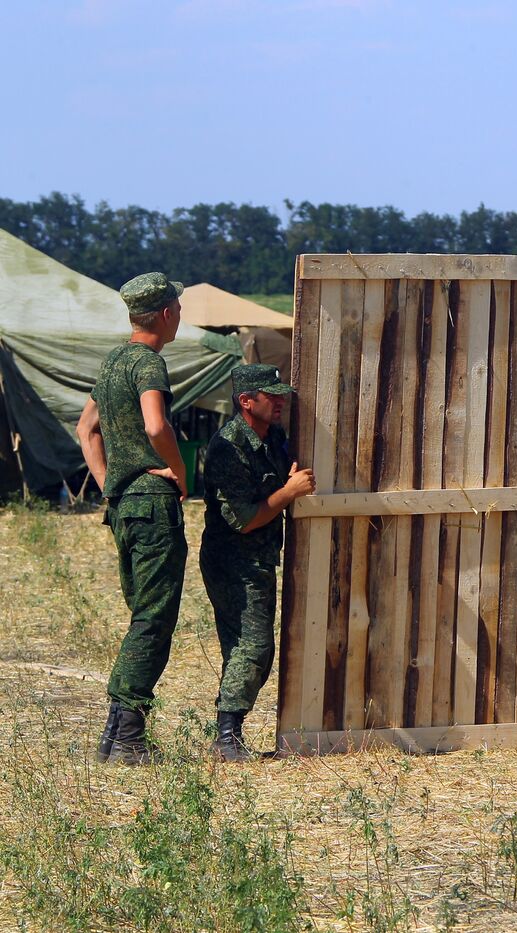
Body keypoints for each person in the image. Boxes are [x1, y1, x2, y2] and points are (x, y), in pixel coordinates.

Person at [76, 272, 189, 765]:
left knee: (145, 611)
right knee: (154, 617)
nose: (180, 316)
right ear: (166, 314)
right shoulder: (147, 363)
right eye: (178, 309)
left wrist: (109, 485)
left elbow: (86, 430)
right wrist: (179, 472)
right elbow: (154, 424)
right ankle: (127, 735)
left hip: (124, 505)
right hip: (152, 503)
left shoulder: (112, 362)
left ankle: (116, 733)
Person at [201, 364, 315, 761]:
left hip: (260, 560)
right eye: (272, 395)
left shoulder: (272, 437)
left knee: (255, 648)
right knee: (252, 646)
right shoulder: (227, 447)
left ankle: (229, 733)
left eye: (281, 394)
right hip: (233, 561)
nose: (280, 401)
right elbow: (245, 519)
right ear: (246, 402)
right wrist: (290, 491)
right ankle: (226, 737)